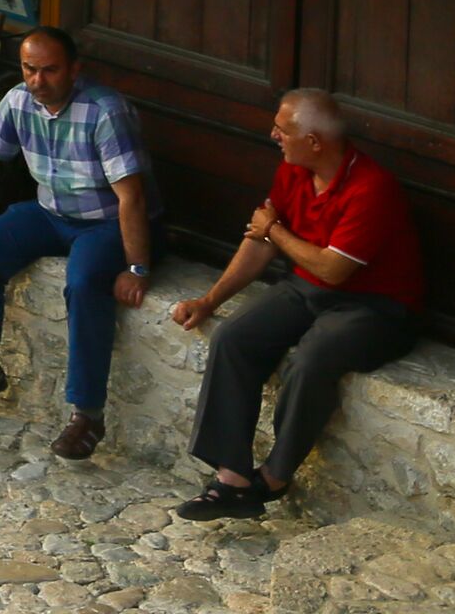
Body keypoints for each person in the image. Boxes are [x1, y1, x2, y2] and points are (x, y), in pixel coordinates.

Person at [171, 89, 424, 519]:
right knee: (234, 339)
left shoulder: (371, 188)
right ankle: (231, 478)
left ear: (315, 141)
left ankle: (272, 478)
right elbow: (260, 243)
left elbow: (331, 269)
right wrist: (210, 300)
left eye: (283, 130)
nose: (274, 135)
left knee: (310, 360)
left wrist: (276, 232)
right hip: (307, 288)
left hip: (375, 307)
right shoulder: (294, 170)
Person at [0, 25, 157, 459]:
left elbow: (131, 196)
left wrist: (136, 268)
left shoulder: (104, 111)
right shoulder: (19, 99)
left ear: (74, 69)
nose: (38, 80)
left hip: (103, 222)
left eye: (50, 70)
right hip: (49, 212)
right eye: (29, 69)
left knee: (84, 282)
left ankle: (88, 414)